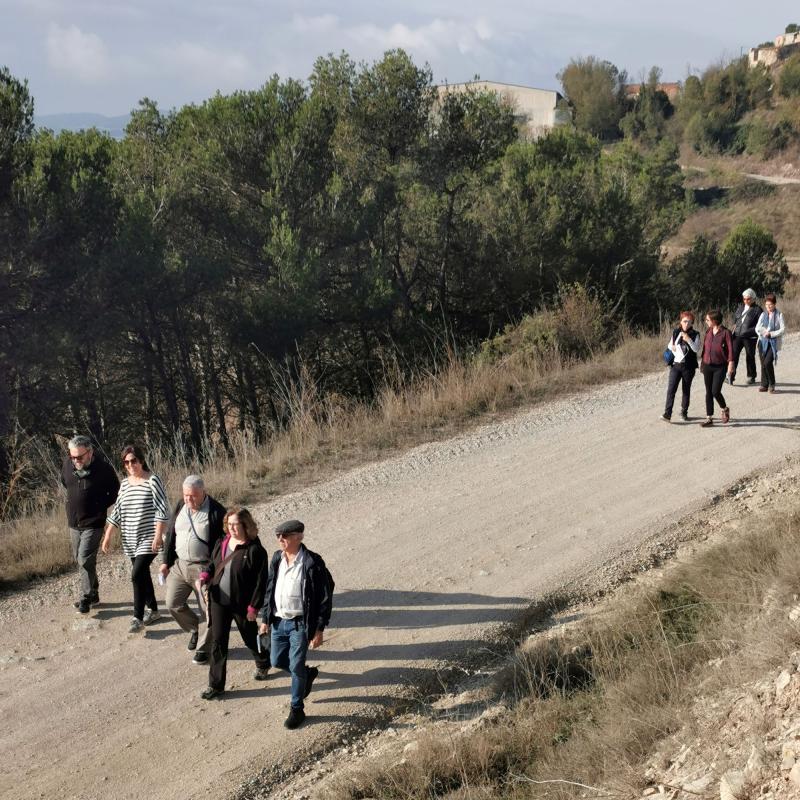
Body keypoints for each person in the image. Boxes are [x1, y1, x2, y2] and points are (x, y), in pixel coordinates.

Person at [258, 519, 332, 730]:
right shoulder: (276, 558)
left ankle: (297, 708)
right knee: (276, 660)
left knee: (296, 665)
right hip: (278, 621)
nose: (280, 539)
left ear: (299, 536)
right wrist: (265, 619)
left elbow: (324, 597)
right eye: (278, 536)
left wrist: (319, 628)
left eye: (285, 536)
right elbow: (269, 589)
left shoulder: (312, 562)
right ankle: (306, 676)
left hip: (300, 624)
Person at [198, 507, 271, 700]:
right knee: (218, 642)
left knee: (249, 638)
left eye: (236, 524)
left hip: (242, 604)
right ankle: (216, 685)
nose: (231, 528)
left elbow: (260, 582)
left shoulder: (256, 551)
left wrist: (254, 607)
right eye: (229, 524)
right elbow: (212, 563)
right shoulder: (222, 542)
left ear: (246, 525)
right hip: (218, 601)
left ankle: (263, 663)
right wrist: (206, 574)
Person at [101, 445, 170, 633]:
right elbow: (117, 512)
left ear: (141, 460)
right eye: (126, 462)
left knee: (136, 574)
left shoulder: (153, 481)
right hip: (130, 538)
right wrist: (107, 535)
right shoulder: (124, 484)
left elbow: (162, 509)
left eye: (134, 460)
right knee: (142, 574)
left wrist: (158, 536)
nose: (131, 465)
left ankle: (137, 618)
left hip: (149, 537)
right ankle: (154, 610)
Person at [159, 475, 226, 664]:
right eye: (186, 495)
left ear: (203, 492)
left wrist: (212, 571)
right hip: (180, 565)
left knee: (208, 610)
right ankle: (194, 629)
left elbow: (222, 545)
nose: (189, 499)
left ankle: (204, 647)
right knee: (172, 603)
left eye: (193, 496)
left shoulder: (216, 511)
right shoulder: (181, 505)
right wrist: (166, 562)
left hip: (204, 567)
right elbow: (171, 533)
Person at [61, 435, 120, 614]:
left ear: (90, 452)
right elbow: (65, 483)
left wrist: (98, 505)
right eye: (73, 456)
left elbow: (116, 492)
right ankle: (94, 593)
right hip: (74, 522)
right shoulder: (67, 465)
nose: (76, 460)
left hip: (94, 522)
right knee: (82, 560)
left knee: (84, 558)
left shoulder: (104, 469)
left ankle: (85, 598)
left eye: (80, 456)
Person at [661, 311, 701, 423]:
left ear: (692, 323)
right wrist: (672, 346)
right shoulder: (676, 332)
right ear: (681, 321)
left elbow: (696, 349)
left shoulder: (695, 334)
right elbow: (670, 345)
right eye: (684, 321)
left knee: (686, 390)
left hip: (689, 367)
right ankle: (667, 413)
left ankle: (684, 412)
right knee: (671, 390)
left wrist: (688, 339)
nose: (686, 324)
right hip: (676, 365)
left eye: (689, 322)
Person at [700, 310, 734, 428]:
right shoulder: (708, 331)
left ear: (714, 321)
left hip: (720, 367)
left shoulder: (726, 333)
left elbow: (730, 350)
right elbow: (705, 348)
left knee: (715, 391)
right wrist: (702, 364)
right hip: (707, 365)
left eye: (708, 320)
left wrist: (731, 364)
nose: (706, 321)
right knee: (708, 392)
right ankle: (709, 417)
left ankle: (725, 408)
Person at [755, 293, 786, 393]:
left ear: (775, 304)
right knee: (763, 364)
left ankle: (772, 384)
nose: (768, 307)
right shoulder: (763, 314)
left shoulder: (779, 315)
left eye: (771, 305)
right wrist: (762, 333)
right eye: (767, 305)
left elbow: (783, 329)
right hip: (762, 341)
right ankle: (764, 384)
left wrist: (771, 334)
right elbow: (757, 328)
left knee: (768, 362)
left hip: (773, 343)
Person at [731, 288, 762, 385]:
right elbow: (735, 319)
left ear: (753, 298)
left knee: (750, 356)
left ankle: (751, 376)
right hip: (737, 335)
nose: (746, 301)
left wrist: (750, 331)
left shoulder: (758, 310)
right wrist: (734, 326)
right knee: (733, 356)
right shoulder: (740, 307)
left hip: (750, 337)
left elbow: (760, 325)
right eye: (744, 299)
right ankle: (731, 376)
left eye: (748, 299)